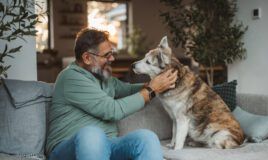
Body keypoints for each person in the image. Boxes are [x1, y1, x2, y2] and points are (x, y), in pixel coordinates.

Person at [46, 28, 178, 160]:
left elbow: (127, 89)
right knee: (91, 133)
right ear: (87, 58)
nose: (112, 58)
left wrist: (157, 85)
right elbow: (112, 110)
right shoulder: (71, 77)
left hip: (107, 145)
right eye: (107, 55)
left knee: (146, 138)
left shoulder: (103, 77)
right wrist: (150, 91)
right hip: (66, 148)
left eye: (112, 53)